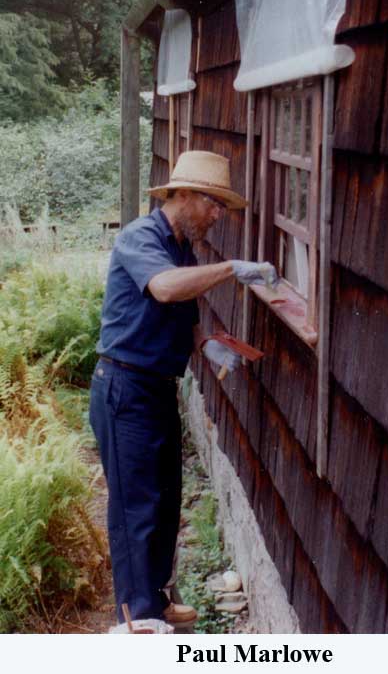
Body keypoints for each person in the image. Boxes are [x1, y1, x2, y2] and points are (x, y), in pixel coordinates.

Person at [89, 150, 278, 627]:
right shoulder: (141, 237)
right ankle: (137, 621)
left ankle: (155, 597)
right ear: (186, 195)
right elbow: (168, 289)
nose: (218, 215)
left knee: (165, 496)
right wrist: (233, 269)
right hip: (124, 387)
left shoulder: (180, 246)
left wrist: (206, 344)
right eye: (214, 204)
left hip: (155, 387)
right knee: (136, 506)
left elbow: (181, 310)